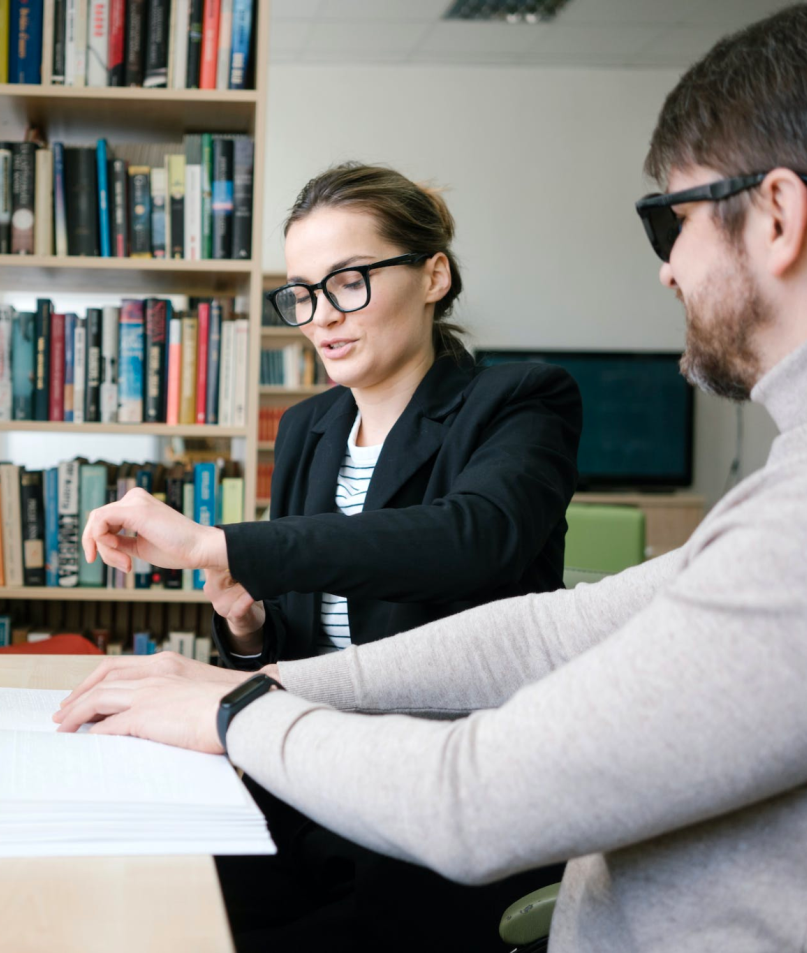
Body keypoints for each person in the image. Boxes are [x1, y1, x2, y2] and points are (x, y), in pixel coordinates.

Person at [57, 2, 807, 950]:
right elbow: (547, 629)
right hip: (338, 789)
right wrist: (250, 666)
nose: (668, 272)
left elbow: (471, 774)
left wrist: (235, 692)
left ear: (781, 216)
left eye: (670, 223)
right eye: (306, 294)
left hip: (431, 837)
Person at [86, 163, 582, 669]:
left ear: (434, 277)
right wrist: (250, 627)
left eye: (349, 281)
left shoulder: (522, 398)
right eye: (302, 294)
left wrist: (217, 544)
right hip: (317, 725)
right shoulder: (305, 427)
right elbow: (297, 644)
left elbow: (473, 539)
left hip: (461, 732)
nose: (321, 316)